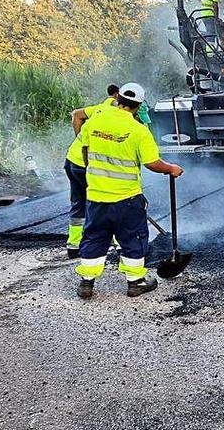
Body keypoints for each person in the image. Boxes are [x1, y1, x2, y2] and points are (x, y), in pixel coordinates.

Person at [75, 83, 184, 299]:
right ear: (139, 105)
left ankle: (87, 283)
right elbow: (152, 163)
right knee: (132, 238)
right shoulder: (138, 130)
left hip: (96, 196)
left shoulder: (95, 120)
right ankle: (135, 283)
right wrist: (172, 169)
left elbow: (85, 150)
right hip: (127, 198)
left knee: (94, 237)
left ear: (118, 99)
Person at [63, 85, 122, 258]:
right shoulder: (118, 118)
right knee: (111, 203)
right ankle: (121, 244)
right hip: (87, 165)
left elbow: (76, 114)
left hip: (73, 160)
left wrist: (80, 140)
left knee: (79, 203)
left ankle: (74, 245)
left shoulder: (99, 109)